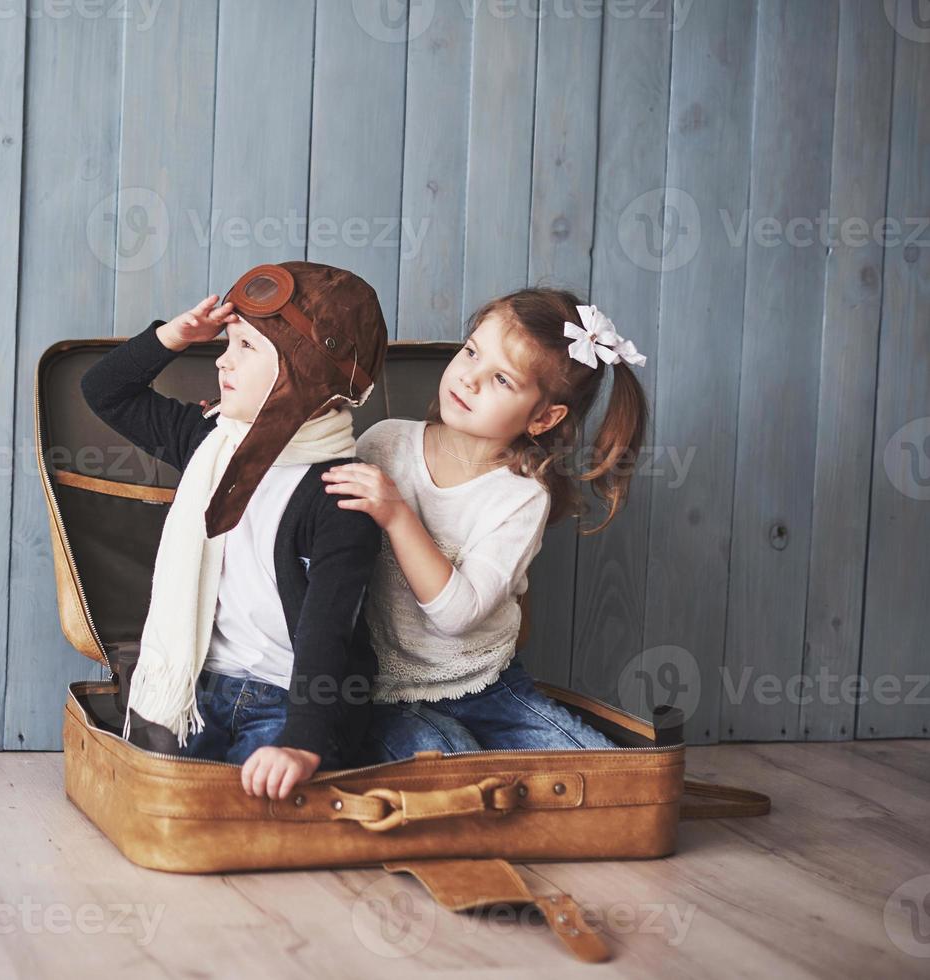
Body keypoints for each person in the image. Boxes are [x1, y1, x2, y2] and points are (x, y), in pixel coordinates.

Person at [79, 261, 387, 799]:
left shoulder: (339, 495)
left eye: (247, 346)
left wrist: (303, 741)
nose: (222, 359)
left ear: (305, 371)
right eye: (229, 342)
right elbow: (105, 390)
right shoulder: (208, 441)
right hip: (198, 689)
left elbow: (328, 634)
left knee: (261, 800)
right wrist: (172, 337)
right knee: (152, 795)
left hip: (287, 701)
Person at [323, 287, 649, 758]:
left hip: (486, 687)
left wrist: (396, 514)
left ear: (543, 417)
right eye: (472, 351)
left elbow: (458, 615)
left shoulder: (520, 496)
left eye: (502, 379)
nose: (470, 378)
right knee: (448, 759)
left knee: (605, 773)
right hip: (383, 694)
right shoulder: (385, 444)